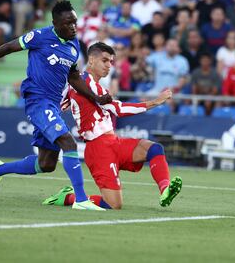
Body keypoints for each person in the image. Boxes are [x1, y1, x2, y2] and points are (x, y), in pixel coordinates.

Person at [0, 0, 112, 211]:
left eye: (75, 22)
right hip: (38, 100)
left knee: (46, 164)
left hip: (53, 104)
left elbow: (73, 77)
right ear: (56, 23)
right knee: (69, 143)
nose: (74, 27)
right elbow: (6, 47)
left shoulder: (74, 45)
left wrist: (95, 97)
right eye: (69, 23)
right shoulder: (39, 36)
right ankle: (81, 199)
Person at [43, 42, 182, 210]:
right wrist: (154, 102)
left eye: (111, 62)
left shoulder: (89, 85)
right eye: (105, 60)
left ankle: (165, 189)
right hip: (98, 149)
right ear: (92, 60)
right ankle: (68, 197)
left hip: (113, 142)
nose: (109, 66)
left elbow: (62, 102)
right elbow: (119, 109)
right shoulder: (85, 83)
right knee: (113, 204)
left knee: (154, 149)